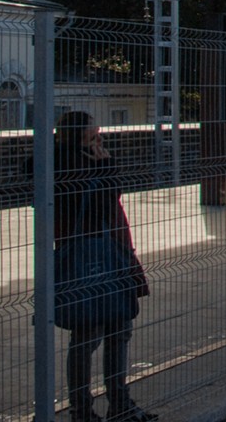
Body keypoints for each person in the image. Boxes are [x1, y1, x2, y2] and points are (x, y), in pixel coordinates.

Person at [52, 111, 156, 422]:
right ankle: (83, 409)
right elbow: (101, 204)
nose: (100, 139)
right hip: (93, 257)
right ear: (78, 136)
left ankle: (118, 402)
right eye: (94, 134)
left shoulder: (74, 161)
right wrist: (105, 167)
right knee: (90, 333)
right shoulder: (67, 166)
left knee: (119, 326)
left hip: (109, 251)